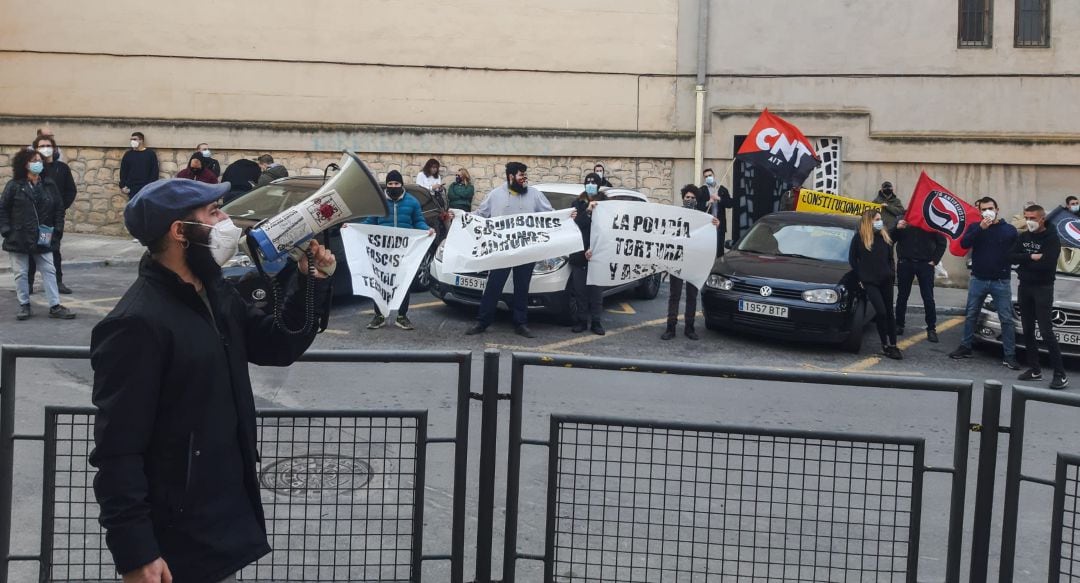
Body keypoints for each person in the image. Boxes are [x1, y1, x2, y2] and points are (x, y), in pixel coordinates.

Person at [89, 179, 335, 583]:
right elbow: (118, 451)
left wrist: (311, 281)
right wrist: (137, 553)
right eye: (214, 212)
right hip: (176, 530)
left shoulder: (214, 290)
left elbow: (276, 346)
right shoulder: (136, 323)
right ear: (179, 232)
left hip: (219, 510)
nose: (226, 221)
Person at [465, 162, 554, 338]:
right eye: (521, 176)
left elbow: (549, 214)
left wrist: (568, 215)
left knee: (522, 288)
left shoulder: (535, 195)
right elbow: (481, 215)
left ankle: (521, 323)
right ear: (511, 176)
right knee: (493, 286)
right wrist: (461, 216)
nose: (524, 179)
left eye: (525, 175)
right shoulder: (495, 195)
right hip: (501, 251)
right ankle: (483, 322)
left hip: (526, 250)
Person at [0, 148, 75, 320]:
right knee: (21, 272)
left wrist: (58, 229)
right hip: (18, 237)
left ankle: (55, 306)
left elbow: (58, 208)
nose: (38, 163)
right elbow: (3, 209)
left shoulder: (49, 185)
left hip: (44, 235)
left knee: (49, 269)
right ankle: (24, 305)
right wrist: (6, 229)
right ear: (24, 164)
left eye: (39, 160)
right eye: (34, 160)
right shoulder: (14, 186)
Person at [949, 196, 1020, 369]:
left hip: (1000, 281)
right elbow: (965, 243)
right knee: (972, 313)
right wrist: (980, 229)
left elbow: (1016, 252)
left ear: (997, 210)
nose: (987, 211)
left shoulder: (1009, 230)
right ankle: (966, 347)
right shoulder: (975, 227)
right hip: (978, 279)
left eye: (990, 208)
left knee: (1006, 319)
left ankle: (1009, 355)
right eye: (983, 209)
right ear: (980, 212)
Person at [362, 170, 434, 331]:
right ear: (386, 185)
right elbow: (369, 223)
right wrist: (352, 228)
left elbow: (418, 222)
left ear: (401, 184)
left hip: (404, 251)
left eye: (396, 184)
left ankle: (402, 316)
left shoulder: (412, 202)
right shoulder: (378, 202)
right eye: (390, 184)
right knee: (380, 282)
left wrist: (426, 229)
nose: (393, 186)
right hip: (382, 252)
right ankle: (379, 316)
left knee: (403, 283)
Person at [1009, 204, 1068, 389]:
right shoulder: (1024, 236)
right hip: (1025, 286)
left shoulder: (1052, 239)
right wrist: (1031, 257)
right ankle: (1035, 370)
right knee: (1027, 329)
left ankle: (1060, 374)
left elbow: (1046, 264)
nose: (1029, 222)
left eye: (1033, 218)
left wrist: (1024, 260)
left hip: (1042, 288)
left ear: (1042, 219)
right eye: (1027, 218)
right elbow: (1010, 256)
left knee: (1046, 331)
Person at [662, 185, 720, 341]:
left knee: (692, 295)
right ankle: (670, 327)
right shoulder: (676, 215)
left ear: (696, 200)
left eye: (693, 198)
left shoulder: (702, 216)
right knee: (674, 295)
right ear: (683, 198)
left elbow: (709, 233)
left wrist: (714, 224)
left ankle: (689, 327)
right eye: (687, 197)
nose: (690, 200)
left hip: (693, 261)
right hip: (677, 259)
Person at [849, 209, 902, 359]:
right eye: (877, 219)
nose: (880, 222)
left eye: (880, 219)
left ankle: (893, 345)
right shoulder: (859, 238)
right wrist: (861, 276)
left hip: (886, 280)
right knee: (881, 312)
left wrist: (892, 273)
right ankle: (884, 344)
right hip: (870, 281)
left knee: (890, 313)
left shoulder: (884, 237)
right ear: (869, 221)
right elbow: (853, 259)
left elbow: (890, 258)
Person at [28, 136, 77, 295]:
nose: (46, 148)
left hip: (52, 220)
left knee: (54, 250)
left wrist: (61, 208)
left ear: (54, 148)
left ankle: (58, 281)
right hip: (33, 219)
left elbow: (71, 190)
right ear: (35, 148)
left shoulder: (61, 168)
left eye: (49, 145)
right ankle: (28, 283)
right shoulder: (32, 168)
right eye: (42, 146)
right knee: (31, 251)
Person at [892, 217, 947, 342]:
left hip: (925, 265)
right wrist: (897, 228)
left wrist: (934, 261)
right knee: (902, 296)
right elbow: (891, 239)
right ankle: (899, 325)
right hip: (905, 263)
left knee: (928, 297)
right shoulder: (904, 219)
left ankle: (931, 329)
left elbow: (942, 243)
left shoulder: (931, 220)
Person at [569, 173, 606, 335]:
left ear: (599, 185)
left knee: (596, 292)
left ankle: (596, 322)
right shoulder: (577, 203)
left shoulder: (606, 204)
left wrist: (595, 249)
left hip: (598, 254)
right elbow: (576, 225)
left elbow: (607, 230)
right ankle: (582, 321)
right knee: (580, 291)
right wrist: (588, 212)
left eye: (593, 182)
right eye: (588, 182)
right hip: (579, 254)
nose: (590, 184)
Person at [698, 167, 735, 256]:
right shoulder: (701, 190)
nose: (708, 177)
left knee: (719, 248)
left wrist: (719, 198)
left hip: (719, 225)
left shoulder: (722, 189)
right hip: (707, 224)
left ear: (714, 175)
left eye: (710, 175)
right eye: (706, 176)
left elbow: (730, 204)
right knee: (707, 248)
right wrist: (708, 202)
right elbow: (698, 206)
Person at [119, 132, 159, 199]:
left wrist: (151, 187)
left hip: (146, 188)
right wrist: (122, 186)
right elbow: (123, 171)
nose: (132, 141)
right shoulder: (128, 154)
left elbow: (154, 172)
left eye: (135, 139)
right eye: (131, 139)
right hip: (132, 189)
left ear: (141, 140)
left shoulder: (150, 154)